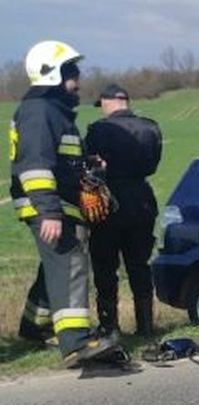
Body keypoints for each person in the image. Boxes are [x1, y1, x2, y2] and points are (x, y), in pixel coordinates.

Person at [11, 40, 122, 367]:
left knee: (55, 266)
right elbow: (34, 164)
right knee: (71, 263)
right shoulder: (41, 110)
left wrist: (87, 162)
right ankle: (76, 343)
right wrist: (49, 211)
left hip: (58, 203)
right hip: (51, 206)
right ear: (52, 74)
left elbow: (59, 158)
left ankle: (34, 327)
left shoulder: (51, 110)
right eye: (71, 71)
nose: (78, 78)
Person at [85, 84, 164, 337]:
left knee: (105, 267)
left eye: (102, 105)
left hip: (108, 202)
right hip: (141, 200)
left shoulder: (98, 130)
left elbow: (89, 165)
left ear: (108, 102)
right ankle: (146, 327)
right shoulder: (151, 127)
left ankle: (110, 328)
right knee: (139, 266)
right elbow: (152, 166)